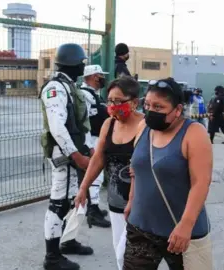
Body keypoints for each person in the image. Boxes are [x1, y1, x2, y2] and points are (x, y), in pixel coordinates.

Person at [123, 78, 212, 269]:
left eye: (158, 106)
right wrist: (131, 200)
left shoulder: (194, 133)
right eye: (147, 105)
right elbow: (136, 170)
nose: (150, 111)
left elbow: (201, 182)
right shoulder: (143, 127)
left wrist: (186, 225)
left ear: (178, 110)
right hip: (141, 228)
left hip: (180, 231)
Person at [75, 76, 143, 270]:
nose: (113, 106)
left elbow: (142, 167)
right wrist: (83, 188)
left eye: (119, 101)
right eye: (110, 100)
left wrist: (134, 199)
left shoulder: (145, 126)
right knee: (121, 256)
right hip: (115, 202)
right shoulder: (109, 124)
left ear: (134, 102)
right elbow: (98, 159)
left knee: (127, 254)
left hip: (139, 203)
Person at [39, 43, 94, 270]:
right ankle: (52, 257)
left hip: (73, 151)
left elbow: (78, 123)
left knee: (71, 200)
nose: (84, 65)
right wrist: (77, 156)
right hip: (64, 154)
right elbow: (57, 127)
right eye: (82, 61)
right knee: (58, 204)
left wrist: (87, 148)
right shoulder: (56, 88)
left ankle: (67, 242)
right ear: (73, 62)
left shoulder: (69, 86)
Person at [80, 64, 111, 228]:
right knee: (95, 176)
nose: (102, 78)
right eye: (100, 75)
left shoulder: (93, 94)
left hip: (96, 138)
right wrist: (88, 146)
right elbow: (84, 122)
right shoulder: (85, 95)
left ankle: (94, 207)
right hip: (90, 139)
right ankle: (92, 211)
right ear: (93, 76)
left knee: (96, 175)